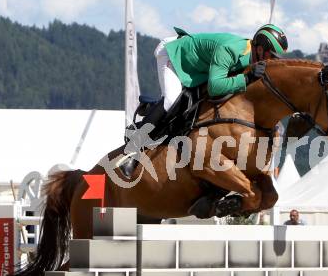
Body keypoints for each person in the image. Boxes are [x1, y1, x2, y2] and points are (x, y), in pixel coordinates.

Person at [120, 24, 289, 178]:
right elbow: (215, 86)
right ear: (260, 47)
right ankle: (133, 147)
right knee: (172, 99)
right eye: (271, 55)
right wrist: (247, 78)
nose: (273, 60)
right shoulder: (230, 50)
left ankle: (153, 110)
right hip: (175, 55)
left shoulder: (253, 59)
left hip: (199, 69)